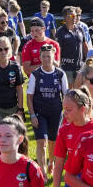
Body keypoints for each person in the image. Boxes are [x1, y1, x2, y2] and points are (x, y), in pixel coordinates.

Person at [27, 42, 66, 175]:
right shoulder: (35, 75)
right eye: (43, 56)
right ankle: (42, 172)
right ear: (40, 57)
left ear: (54, 57)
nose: (46, 59)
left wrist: (67, 113)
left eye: (49, 56)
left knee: (52, 141)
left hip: (56, 112)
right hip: (39, 113)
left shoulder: (60, 74)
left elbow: (66, 96)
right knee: (41, 141)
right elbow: (29, 97)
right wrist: (32, 115)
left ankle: (51, 162)